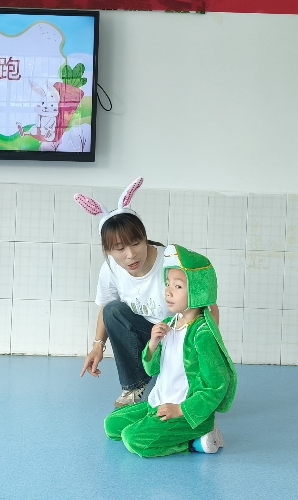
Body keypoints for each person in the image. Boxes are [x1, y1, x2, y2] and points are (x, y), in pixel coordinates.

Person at [75, 178, 219, 408]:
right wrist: (97, 345)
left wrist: (205, 344)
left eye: (136, 243)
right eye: (120, 249)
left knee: (179, 401)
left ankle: (175, 378)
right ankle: (134, 385)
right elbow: (107, 309)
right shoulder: (110, 269)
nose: (130, 255)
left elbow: (205, 303)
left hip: (176, 336)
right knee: (113, 310)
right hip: (147, 338)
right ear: (108, 251)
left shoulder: (170, 261)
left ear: (144, 238)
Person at [103, 245, 237, 457]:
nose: (168, 291)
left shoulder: (201, 334)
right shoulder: (169, 324)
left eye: (178, 286)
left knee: (133, 440)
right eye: (167, 284)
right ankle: (163, 425)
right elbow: (152, 369)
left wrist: (180, 409)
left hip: (185, 412)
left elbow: (217, 385)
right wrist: (153, 344)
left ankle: (196, 440)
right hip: (158, 404)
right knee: (112, 425)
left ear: (198, 291)